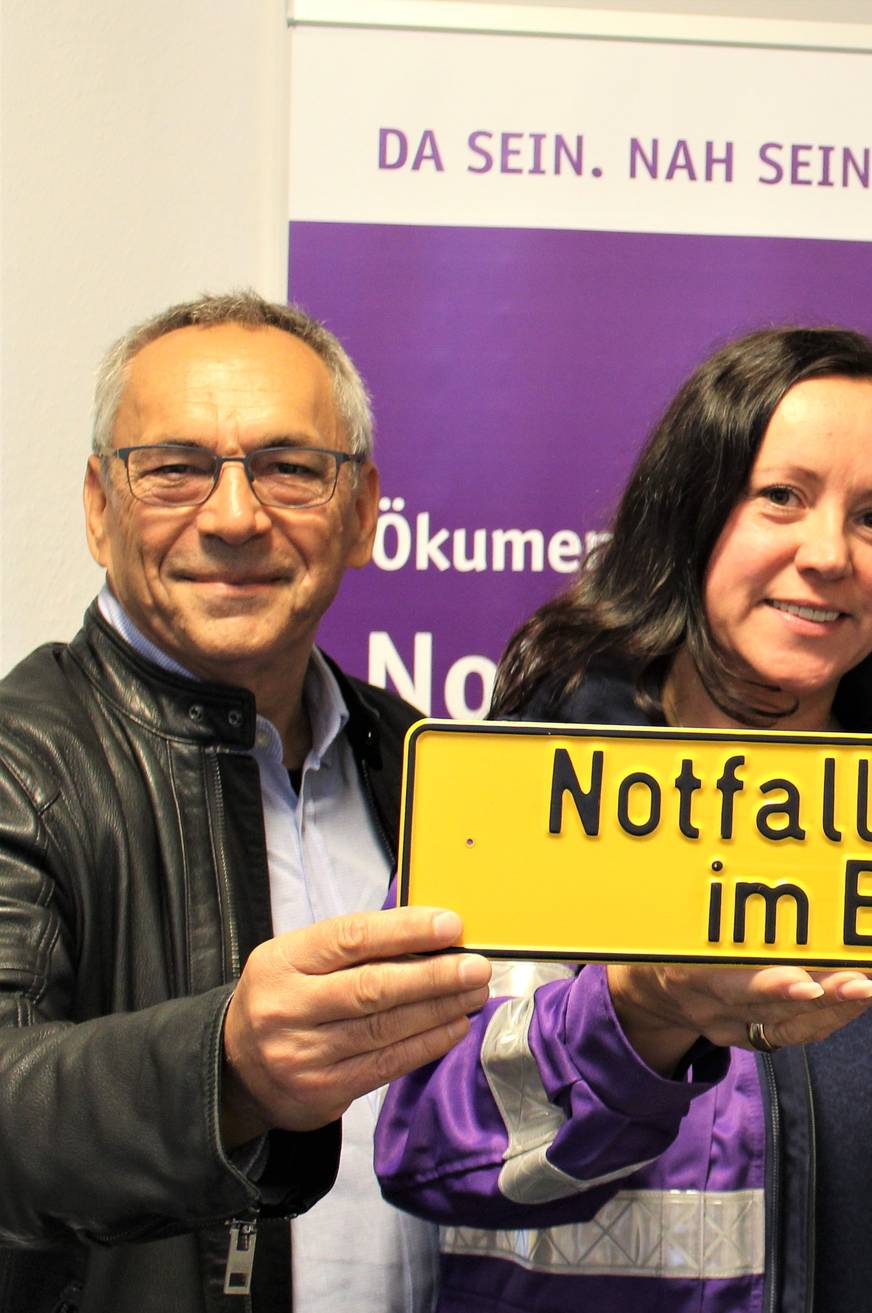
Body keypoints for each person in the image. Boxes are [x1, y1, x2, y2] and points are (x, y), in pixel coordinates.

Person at [376, 326, 872, 1313]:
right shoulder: (518, 797)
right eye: (782, 496)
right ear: (691, 509)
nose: (829, 554)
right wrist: (640, 1010)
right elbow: (430, 1153)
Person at [0, 292, 484, 1311]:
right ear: (98, 505)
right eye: (174, 467)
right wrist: (221, 1070)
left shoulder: (426, 763)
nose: (232, 514)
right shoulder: (18, 760)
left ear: (362, 513)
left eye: (289, 467)